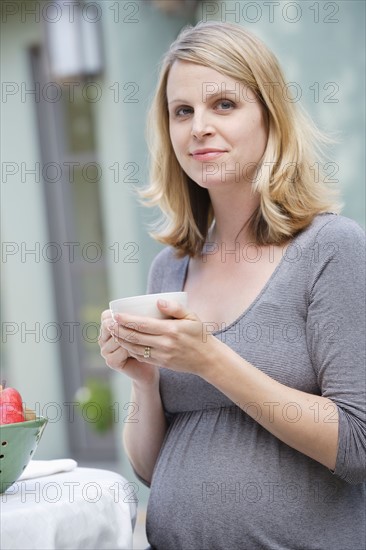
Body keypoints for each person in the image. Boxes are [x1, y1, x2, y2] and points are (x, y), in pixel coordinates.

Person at [99, 21, 365, 550]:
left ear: (270, 116)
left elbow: (358, 446)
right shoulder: (169, 270)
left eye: (223, 104)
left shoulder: (330, 249)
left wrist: (208, 359)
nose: (199, 127)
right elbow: (153, 468)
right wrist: (144, 381)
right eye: (183, 111)